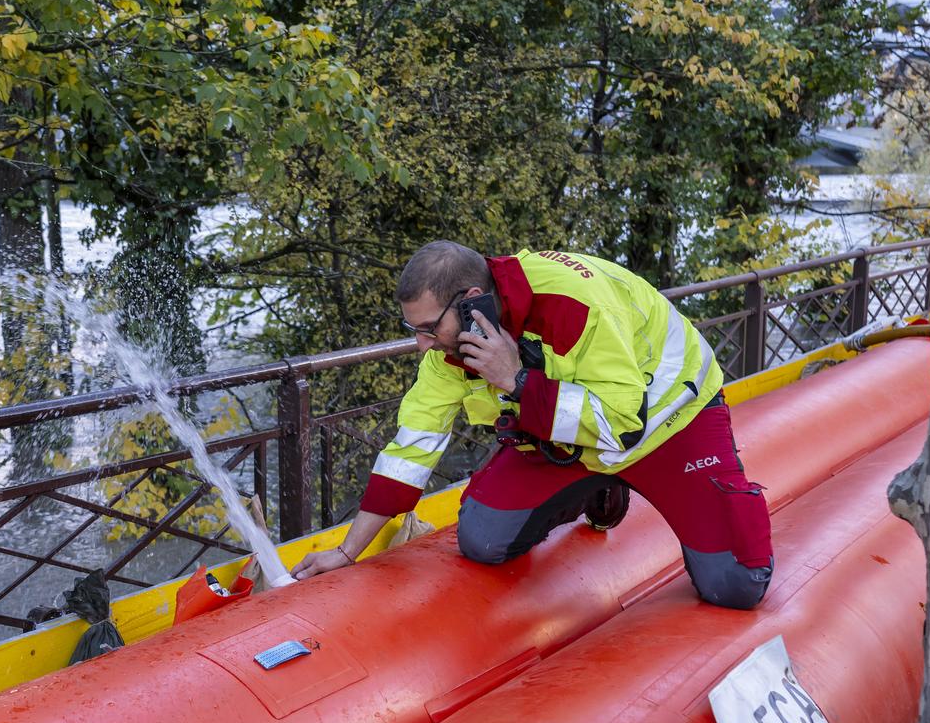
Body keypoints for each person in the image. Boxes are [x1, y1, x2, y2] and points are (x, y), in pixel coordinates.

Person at [291, 240, 773, 609]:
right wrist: (349, 551)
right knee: (481, 539)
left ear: (471, 301)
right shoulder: (452, 350)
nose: (421, 345)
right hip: (565, 436)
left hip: (669, 423)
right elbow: (411, 448)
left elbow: (624, 422)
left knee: (736, 586)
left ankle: (620, 478)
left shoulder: (573, 306)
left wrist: (517, 381)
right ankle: (599, 487)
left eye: (427, 329)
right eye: (412, 330)